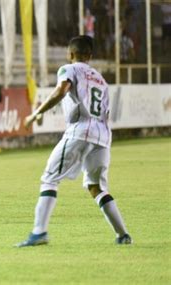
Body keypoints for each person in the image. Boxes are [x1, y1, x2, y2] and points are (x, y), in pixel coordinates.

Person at [17, 35, 132, 247]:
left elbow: (62, 90)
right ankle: (123, 235)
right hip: (103, 136)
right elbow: (107, 112)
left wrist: (36, 114)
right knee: (96, 187)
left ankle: (39, 232)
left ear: (70, 54)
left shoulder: (69, 69)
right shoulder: (101, 80)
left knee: (49, 178)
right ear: (90, 55)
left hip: (80, 131)